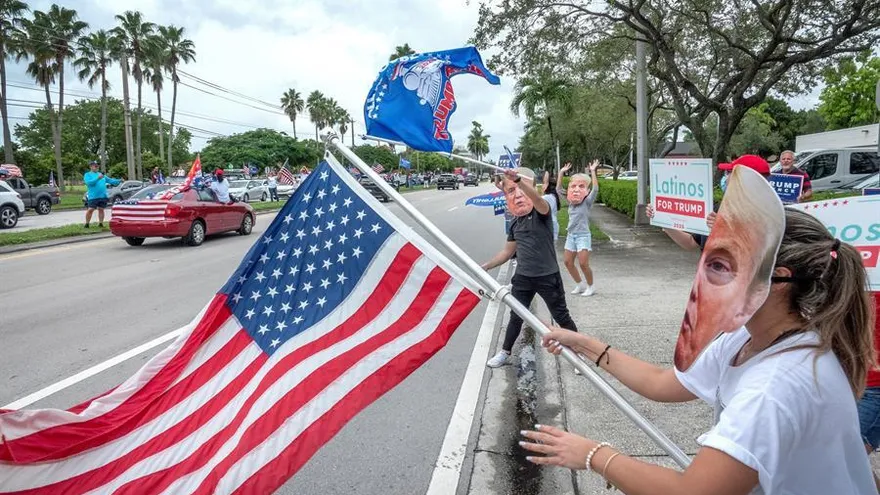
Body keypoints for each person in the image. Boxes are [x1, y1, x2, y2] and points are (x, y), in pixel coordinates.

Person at [520, 207, 876, 494]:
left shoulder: (774, 388)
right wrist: (584, 343)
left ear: (777, 281)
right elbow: (664, 383)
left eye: (722, 267)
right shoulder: (749, 337)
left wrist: (593, 455)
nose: (704, 279)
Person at [482, 167, 579, 368]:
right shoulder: (515, 224)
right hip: (523, 279)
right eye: (511, 192)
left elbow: (536, 199)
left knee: (562, 317)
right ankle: (504, 352)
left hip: (548, 277)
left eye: (521, 190)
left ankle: (578, 354)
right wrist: (485, 267)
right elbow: (507, 253)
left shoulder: (542, 212)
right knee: (516, 316)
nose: (518, 195)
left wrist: (517, 180)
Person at [647, 154, 771, 252]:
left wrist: (724, 230)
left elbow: (754, 258)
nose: (726, 178)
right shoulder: (719, 209)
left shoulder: (769, 217)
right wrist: (664, 220)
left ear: (746, 179)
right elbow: (691, 243)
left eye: (729, 172)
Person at [557, 160, 600, 296]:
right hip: (571, 235)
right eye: (573, 186)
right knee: (568, 262)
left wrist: (592, 171)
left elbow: (595, 189)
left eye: (581, 187)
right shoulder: (570, 203)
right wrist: (561, 173)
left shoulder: (586, 202)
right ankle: (579, 284)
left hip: (583, 236)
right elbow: (558, 190)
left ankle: (591, 286)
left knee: (583, 264)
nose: (576, 190)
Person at [83, 160, 121, 228]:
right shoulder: (87, 175)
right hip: (93, 196)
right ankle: (87, 224)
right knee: (90, 209)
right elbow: (89, 183)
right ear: (91, 166)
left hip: (102, 196)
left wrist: (119, 180)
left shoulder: (102, 175)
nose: (97, 167)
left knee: (101, 209)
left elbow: (110, 180)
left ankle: (101, 223)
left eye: (97, 165)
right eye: (95, 165)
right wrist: (98, 178)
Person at [540, 169, 561, 241]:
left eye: (543, 184)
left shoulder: (546, 198)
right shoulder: (554, 196)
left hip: (548, 227)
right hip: (553, 226)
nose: (542, 186)